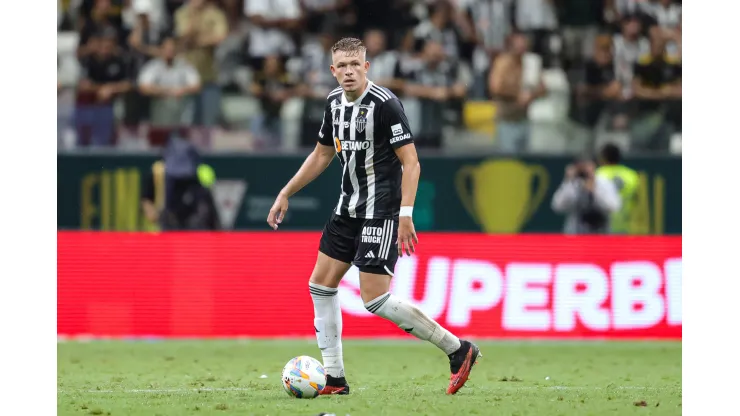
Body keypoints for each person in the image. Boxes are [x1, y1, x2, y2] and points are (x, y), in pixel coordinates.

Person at [266, 37, 481, 396]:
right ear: (332, 71)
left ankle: (458, 349)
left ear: (366, 68)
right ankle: (334, 379)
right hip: (346, 209)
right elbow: (321, 155)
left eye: (355, 65)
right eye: (342, 66)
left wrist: (405, 215)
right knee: (320, 285)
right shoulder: (334, 104)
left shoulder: (386, 105)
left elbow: (411, 162)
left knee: (374, 299)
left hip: (380, 212)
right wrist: (286, 191)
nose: (349, 72)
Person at [551, 155, 622, 234]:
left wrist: (594, 192)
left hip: (601, 232)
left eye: (587, 166)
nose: (585, 170)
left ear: (594, 167)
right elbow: (557, 206)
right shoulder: (573, 184)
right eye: (581, 167)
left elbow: (614, 207)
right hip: (576, 232)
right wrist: (568, 182)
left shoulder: (603, 183)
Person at [596, 143, 640, 234]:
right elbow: (636, 199)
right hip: (625, 225)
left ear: (603, 158)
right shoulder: (631, 175)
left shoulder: (598, 175)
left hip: (602, 226)